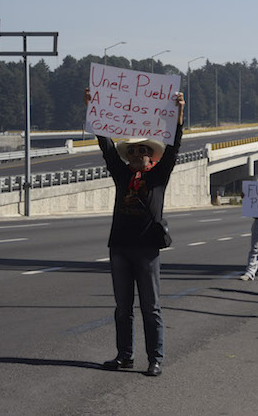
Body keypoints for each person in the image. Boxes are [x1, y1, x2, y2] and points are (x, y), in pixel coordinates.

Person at [85, 88, 185, 377]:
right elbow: (105, 145)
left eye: (144, 150)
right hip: (119, 248)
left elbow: (175, 147)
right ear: (127, 158)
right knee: (122, 308)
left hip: (147, 250)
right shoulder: (121, 175)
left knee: (151, 308)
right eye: (133, 150)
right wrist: (93, 107)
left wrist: (179, 113)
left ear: (151, 156)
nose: (139, 153)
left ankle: (155, 358)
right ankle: (124, 356)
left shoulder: (157, 177)